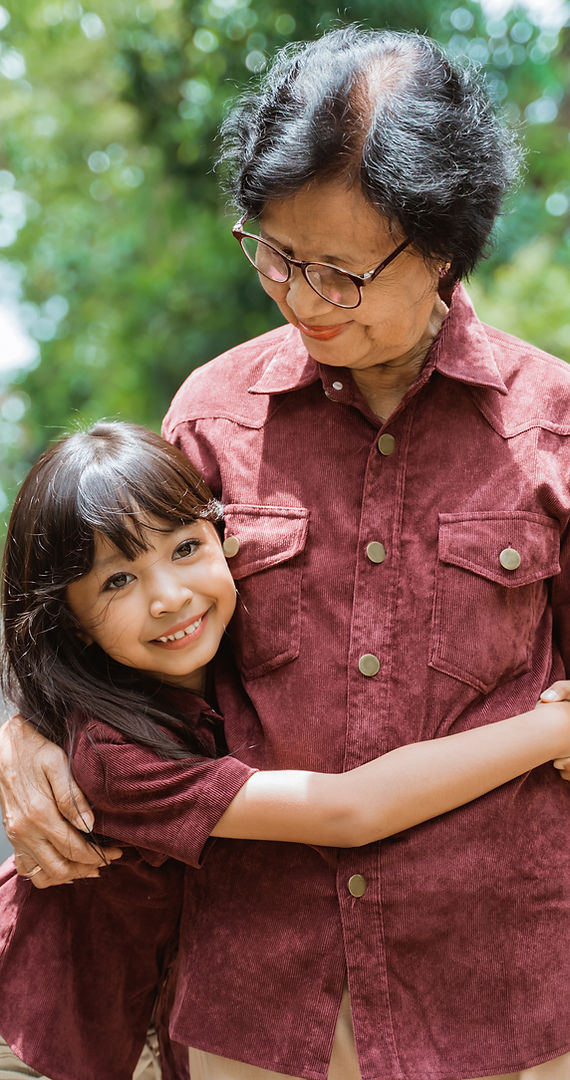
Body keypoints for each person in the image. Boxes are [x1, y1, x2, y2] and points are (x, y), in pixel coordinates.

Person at [1, 25, 570, 1080]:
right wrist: (28, 736)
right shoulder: (211, 416)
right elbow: (109, 636)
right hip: (254, 1014)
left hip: (509, 1009)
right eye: (275, 253)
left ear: (444, 246)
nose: (302, 298)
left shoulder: (554, 429)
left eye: (341, 272)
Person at [4, 421, 569, 1080]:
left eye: (186, 547)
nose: (167, 597)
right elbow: (348, 810)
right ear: (68, 619)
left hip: (141, 1019)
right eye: (116, 582)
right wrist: (550, 731)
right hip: (37, 1035)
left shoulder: (233, 664)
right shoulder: (109, 756)